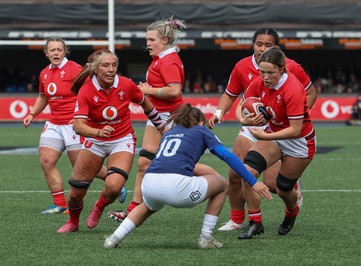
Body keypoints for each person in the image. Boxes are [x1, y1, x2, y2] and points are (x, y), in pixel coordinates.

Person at [104, 104, 272, 249]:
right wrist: (253, 181)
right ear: (200, 122)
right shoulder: (201, 130)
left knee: (147, 206)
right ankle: (206, 237)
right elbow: (227, 157)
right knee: (222, 185)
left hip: (149, 183)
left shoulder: (170, 133)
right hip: (178, 188)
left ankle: (114, 238)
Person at [107, 17, 218, 223]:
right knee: (144, 164)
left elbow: (174, 90)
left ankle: (221, 183)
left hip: (174, 118)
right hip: (158, 116)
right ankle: (133, 210)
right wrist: (148, 89)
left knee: (183, 165)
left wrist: (147, 90)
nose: (147, 43)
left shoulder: (168, 60)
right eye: (147, 39)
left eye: (151, 39)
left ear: (165, 40)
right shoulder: (161, 58)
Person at [207, 28, 317, 231]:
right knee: (239, 172)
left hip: (288, 132)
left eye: (268, 45)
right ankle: (242, 221)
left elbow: (309, 97)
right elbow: (235, 97)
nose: (262, 48)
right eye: (259, 44)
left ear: (277, 50)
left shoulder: (292, 72)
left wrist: (295, 113)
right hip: (258, 125)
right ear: (253, 44)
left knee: (277, 186)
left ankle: (291, 198)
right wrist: (235, 118)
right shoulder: (244, 67)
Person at [57, 49, 165, 233]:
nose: (111, 70)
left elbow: (145, 104)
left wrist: (162, 127)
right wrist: (98, 132)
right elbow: (78, 126)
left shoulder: (126, 84)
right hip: (96, 141)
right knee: (75, 194)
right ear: (96, 69)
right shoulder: (86, 90)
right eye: (105, 65)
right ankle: (73, 222)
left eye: (114, 65)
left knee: (114, 187)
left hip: (122, 140)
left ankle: (99, 207)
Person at [22, 38, 126, 215]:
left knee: (81, 167)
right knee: (46, 161)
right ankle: (60, 204)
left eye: (59, 49)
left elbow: (93, 88)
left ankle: (114, 180)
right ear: (46, 53)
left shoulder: (75, 69)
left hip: (74, 124)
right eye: (52, 50)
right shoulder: (44, 74)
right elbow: (43, 97)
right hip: (54, 123)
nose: (56, 53)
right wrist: (32, 113)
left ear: (65, 52)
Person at [237, 46, 316, 239]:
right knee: (246, 172)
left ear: (282, 69)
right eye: (262, 72)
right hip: (274, 135)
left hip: (299, 143)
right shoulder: (260, 82)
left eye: (270, 72)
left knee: (282, 188)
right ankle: (255, 222)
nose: (265, 76)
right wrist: (243, 120)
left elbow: (295, 130)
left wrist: (264, 136)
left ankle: (291, 211)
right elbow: (241, 104)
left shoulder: (293, 89)